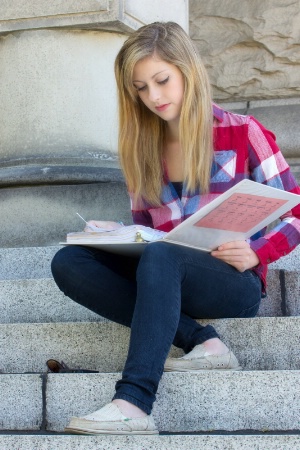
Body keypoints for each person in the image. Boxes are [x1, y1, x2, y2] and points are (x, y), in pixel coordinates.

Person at [51, 22, 300, 435]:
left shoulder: (242, 132)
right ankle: (203, 340)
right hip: (166, 270)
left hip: (231, 281)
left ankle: (133, 403)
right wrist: (116, 235)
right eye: (141, 88)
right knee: (70, 261)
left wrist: (260, 251)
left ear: (187, 70)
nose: (154, 96)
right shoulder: (142, 150)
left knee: (163, 255)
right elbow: (149, 234)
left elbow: (295, 209)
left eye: (162, 80)